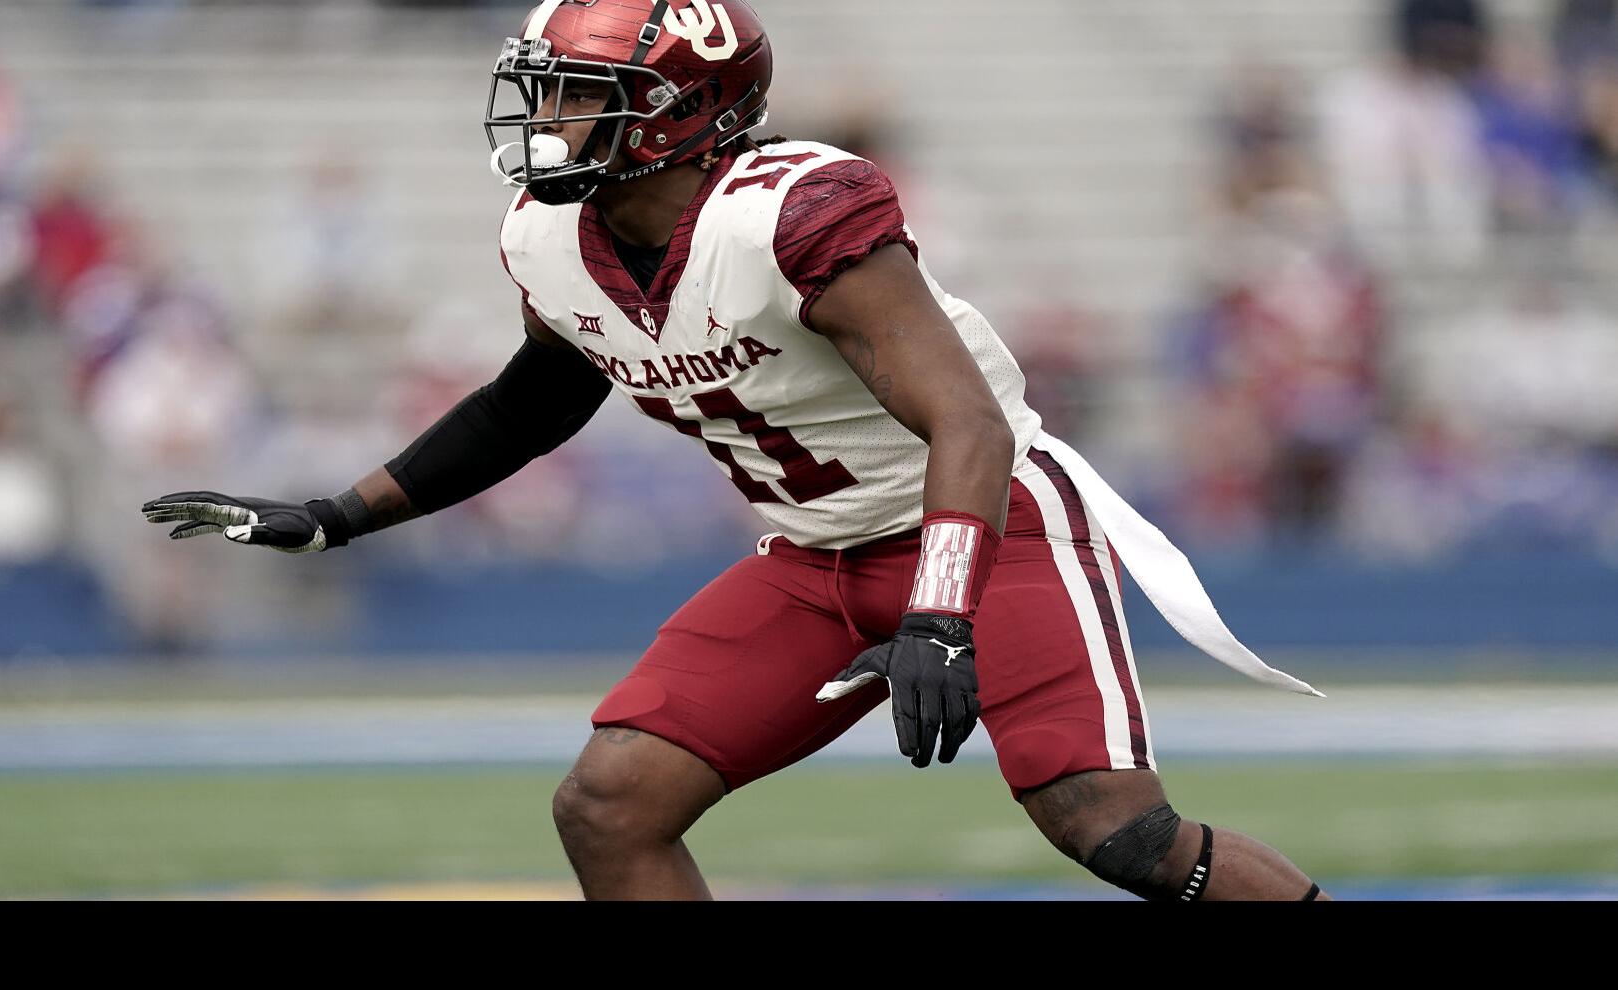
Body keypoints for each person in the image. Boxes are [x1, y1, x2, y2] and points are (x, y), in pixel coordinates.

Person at [143, 0, 1327, 902]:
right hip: (812, 554)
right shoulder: (554, 238)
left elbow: (963, 422)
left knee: (1108, 827)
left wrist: (938, 613)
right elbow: (536, 398)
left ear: (670, 114)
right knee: (610, 803)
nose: (546, 122)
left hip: (987, 520)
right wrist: (338, 512)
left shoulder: (796, 213)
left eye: (576, 94)